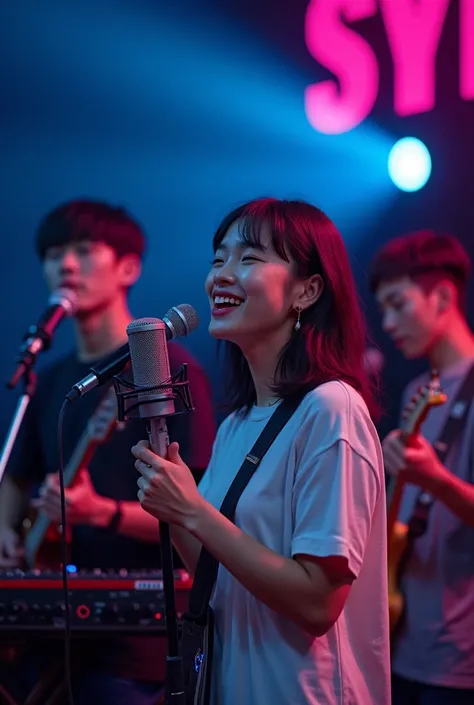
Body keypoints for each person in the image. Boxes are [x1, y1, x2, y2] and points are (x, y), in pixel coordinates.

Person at [131, 197, 391, 705]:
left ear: (307, 290)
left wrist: (194, 511)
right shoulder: (235, 426)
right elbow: (215, 570)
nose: (221, 276)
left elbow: (318, 601)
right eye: (217, 260)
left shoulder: (331, 409)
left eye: (248, 259)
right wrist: (177, 510)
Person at [0, 199, 216, 704]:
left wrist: (102, 513)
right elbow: (15, 475)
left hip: (133, 634)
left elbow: (204, 511)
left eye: (82, 250)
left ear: (129, 267)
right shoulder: (52, 378)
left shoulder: (167, 368)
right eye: (54, 254)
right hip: (48, 623)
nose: (66, 265)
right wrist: (7, 534)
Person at [369, 230, 474, 705]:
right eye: (382, 309)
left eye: (398, 304)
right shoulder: (417, 388)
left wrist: (435, 478)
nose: (388, 323)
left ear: (444, 296)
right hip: (402, 639)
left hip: (458, 658)